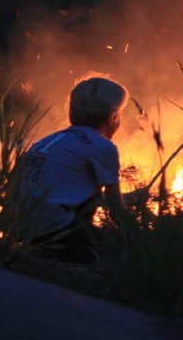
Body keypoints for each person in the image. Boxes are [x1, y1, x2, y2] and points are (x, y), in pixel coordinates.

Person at [16, 75, 148, 262]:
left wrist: (131, 197)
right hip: (56, 229)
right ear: (113, 117)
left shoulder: (52, 140)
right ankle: (75, 253)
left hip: (22, 228)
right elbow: (114, 209)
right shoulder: (102, 146)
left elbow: (69, 194)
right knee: (124, 251)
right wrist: (140, 238)